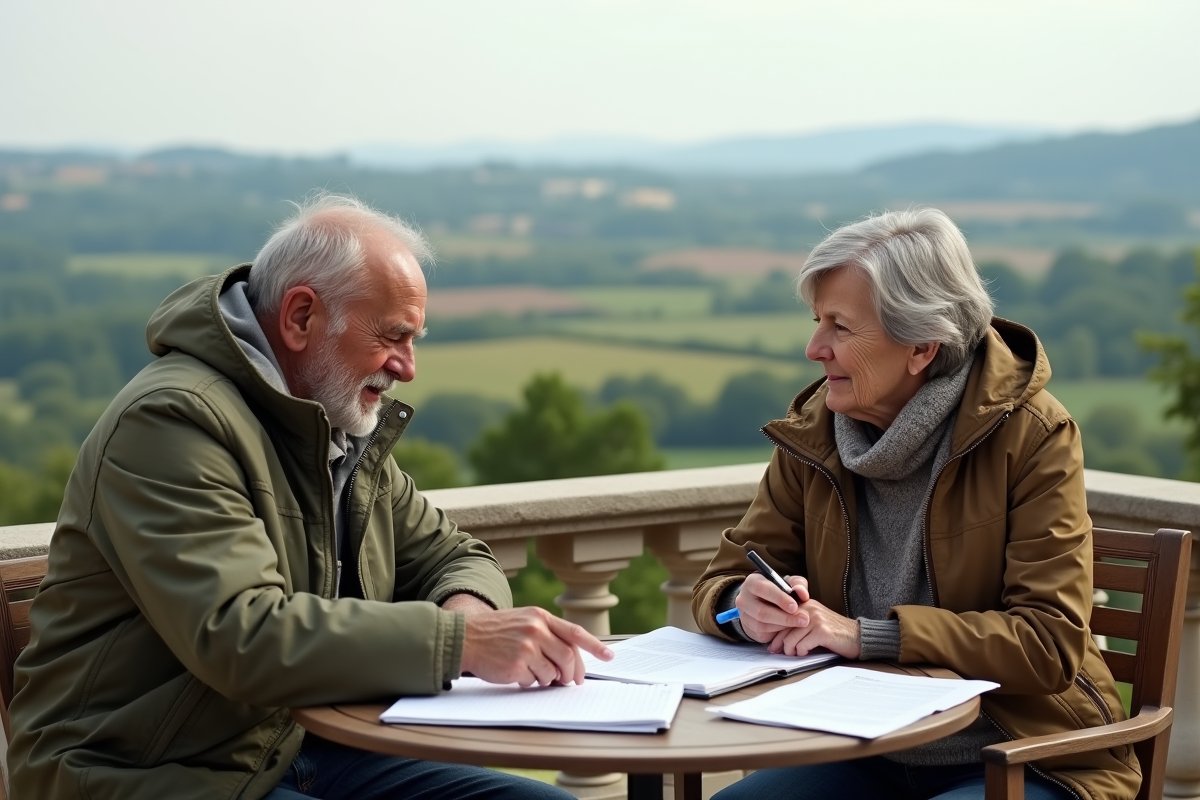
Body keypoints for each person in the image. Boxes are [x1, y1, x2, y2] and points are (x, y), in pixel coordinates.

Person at [6, 193, 612, 800]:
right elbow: (241, 634)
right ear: (300, 317)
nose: (407, 367)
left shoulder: (332, 427)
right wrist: (462, 646)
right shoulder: (171, 421)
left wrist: (469, 611)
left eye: (414, 339)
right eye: (393, 336)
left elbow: (452, 555)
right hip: (148, 772)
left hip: (300, 747)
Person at [692, 209, 1139, 800]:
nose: (813, 348)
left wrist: (866, 635)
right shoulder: (813, 434)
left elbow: (1047, 644)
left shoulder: (1033, 435)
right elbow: (719, 583)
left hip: (1016, 756)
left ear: (921, 346)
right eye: (816, 321)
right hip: (853, 744)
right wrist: (739, 607)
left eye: (840, 327)